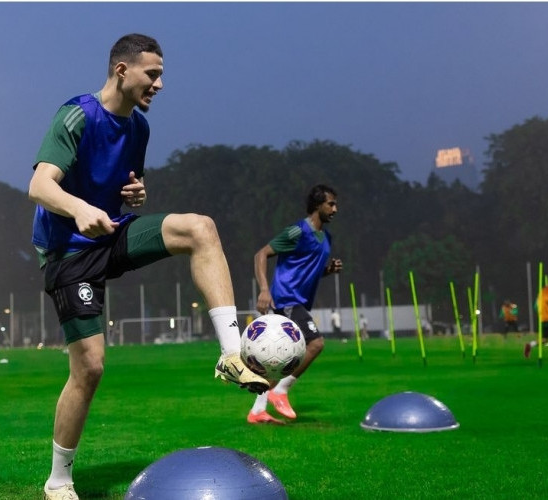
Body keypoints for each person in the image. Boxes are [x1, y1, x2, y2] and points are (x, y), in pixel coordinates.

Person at [29, 33, 269, 500]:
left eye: (161, 75)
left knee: (200, 228)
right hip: (69, 251)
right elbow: (40, 185)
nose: (159, 84)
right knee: (91, 368)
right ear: (122, 70)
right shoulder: (77, 114)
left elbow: (128, 185)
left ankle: (232, 353)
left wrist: (135, 195)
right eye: (152, 74)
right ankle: (58, 479)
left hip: (112, 233)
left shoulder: (139, 127)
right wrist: (78, 209)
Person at [247, 184, 342, 424]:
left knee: (283, 358)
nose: (335, 209)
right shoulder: (297, 232)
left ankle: (258, 410)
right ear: (317, 205)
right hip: (286, 299)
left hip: (298, 302)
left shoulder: (326, 238)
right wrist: (264, 289)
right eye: (330, 204)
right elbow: (261, 254)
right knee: (316, 343)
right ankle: (281, 391)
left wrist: (327, 271)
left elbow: (308, 272)